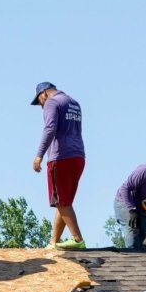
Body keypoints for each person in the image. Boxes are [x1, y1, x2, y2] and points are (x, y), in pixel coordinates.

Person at [30, 81, 86, 250]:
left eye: (39, 101)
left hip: (60, 157)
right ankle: (53, 242)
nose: (40, 105)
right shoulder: (74, 103)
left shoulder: (51, 102)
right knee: (63, 201)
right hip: (78, 156)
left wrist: (39, 155)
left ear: (43, 94)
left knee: (61, 201)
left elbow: (49, 128)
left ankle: (77, 239)